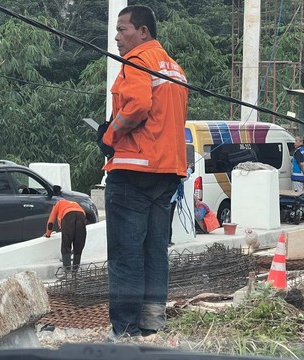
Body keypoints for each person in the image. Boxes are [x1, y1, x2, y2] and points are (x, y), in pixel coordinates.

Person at [100, 5, 188, 341]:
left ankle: (124, 331)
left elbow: (135, 106)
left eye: (123, 30)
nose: (117, 37)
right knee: (154, 252)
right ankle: (152, 324)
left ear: (143, 33)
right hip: (166, 173)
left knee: (125, 255)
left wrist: (109, 136)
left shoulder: (137, 60)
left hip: (133, 170)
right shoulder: (175, 69)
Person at [43, 186, 87, 272]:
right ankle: (75, 272)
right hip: (81, 216)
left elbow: (51, 222)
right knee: (78, 246)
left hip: (67, 216)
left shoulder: (58, 203)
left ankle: (67, 272)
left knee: (66, 245)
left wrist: (48, 234)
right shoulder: (75, 203)